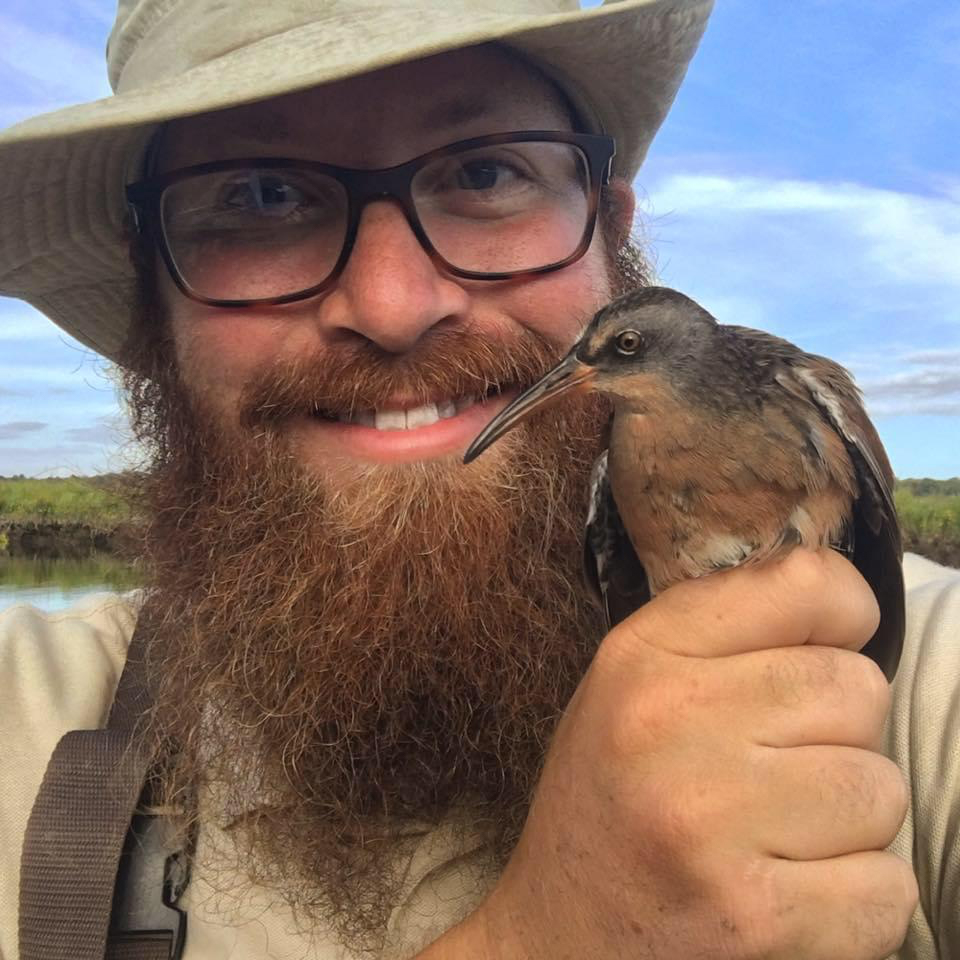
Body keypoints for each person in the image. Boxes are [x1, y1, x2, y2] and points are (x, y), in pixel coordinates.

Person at [0, 1, 957, 958]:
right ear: (150, 293)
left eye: (486, 172)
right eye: (261, 196)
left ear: (609, 235)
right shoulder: (25, 712)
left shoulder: (930, 684)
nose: (392, 306)